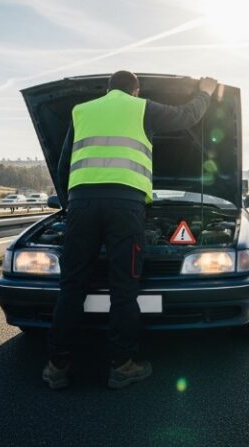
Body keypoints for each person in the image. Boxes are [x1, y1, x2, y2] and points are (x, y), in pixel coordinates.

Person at [43, 71, 218, 390]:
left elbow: (63, 164)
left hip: (82, 203)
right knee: (123, 285)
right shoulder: (142, 108)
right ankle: (122, 365)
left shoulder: (81, 111)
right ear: (134, 91)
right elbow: (186, 116)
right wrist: (205, 92)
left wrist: (72, 205)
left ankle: (56, 365)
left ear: (108, 89)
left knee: (72, 285)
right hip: (125, 206)